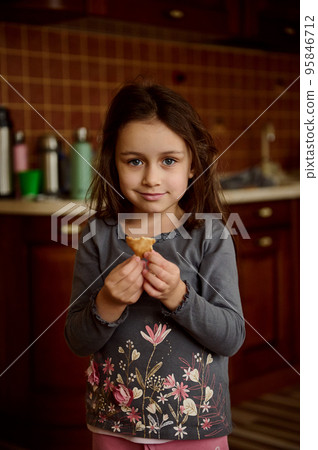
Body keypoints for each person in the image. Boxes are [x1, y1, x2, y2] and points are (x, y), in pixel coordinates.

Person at [65, 80, 245, 450]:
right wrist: (108, 302)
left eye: (168, 160)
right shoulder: (96, 236)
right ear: (113, 163)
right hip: (113, 425)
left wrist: (180, 297)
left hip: (195, 426)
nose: (151, 177)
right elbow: (77, 340)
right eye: (134, 161)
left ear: (192, 163)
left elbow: (231, 337)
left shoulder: (211, 237)